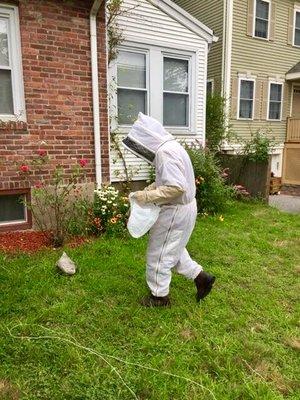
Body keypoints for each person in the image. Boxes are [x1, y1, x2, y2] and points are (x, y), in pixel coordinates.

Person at [123, 113, 215, 307]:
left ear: (146, 138)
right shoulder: (172, 148)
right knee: (173, 247)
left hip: (175, 210)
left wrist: (147, 196)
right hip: (184, 208)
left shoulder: (165, 153)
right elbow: (171, 180)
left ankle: (159, 297)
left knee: (159, 253)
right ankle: (201, 278)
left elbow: (175, 187)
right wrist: (152, 188)